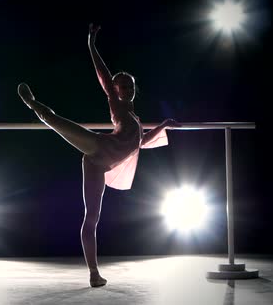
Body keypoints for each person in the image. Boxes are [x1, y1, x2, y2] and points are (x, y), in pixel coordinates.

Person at [18, 23, 180, 287]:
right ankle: (31, 103)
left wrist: (162, 125)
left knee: (92, 218)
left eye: (130, 86)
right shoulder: (118, 107)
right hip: (97, 147)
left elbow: (141, 143)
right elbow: (104, 77)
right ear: (116, 90)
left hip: (99, 166)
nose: (127, 90)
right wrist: (91, 44)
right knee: (54, 120)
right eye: (123, 86)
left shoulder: (136, 120)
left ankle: (94, 274)